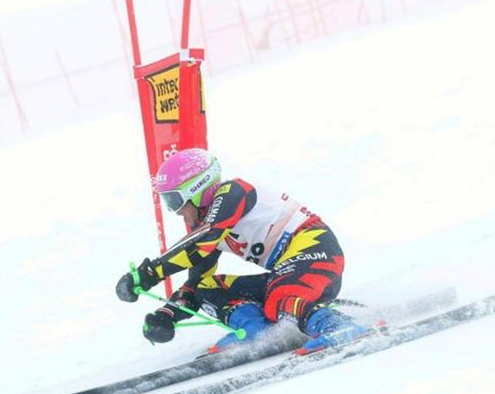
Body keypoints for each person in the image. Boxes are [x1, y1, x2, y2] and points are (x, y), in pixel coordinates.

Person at [116, 148, 365, 355]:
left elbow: (202, 242)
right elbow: (195, 283)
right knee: (207, 288)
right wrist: (167, 314)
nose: (175, 211)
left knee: (279, 298)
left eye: (174, 200)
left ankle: (338, 327)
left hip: (318, 252)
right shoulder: (208, 228)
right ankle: (255, 330)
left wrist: (148, 274)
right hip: (288, 271)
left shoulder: (233, 193)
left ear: (197, 189)